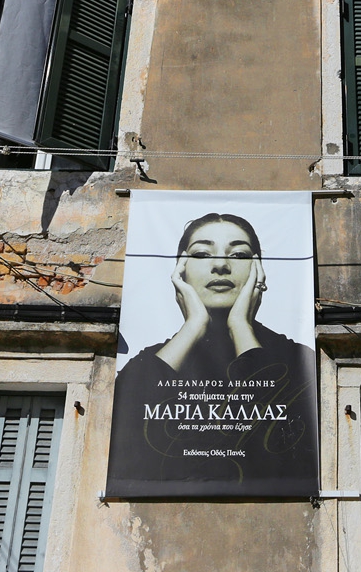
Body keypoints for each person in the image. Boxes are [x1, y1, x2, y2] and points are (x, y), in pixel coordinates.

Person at [106, 212, 317, 497]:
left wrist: (240, 326)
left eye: (240, 255)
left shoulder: (299, 360)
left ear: (259, 270)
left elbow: (280, 454)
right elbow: (129, 436)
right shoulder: (146, 366)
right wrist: (193, 326)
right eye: (203, 254)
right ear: (181, 270)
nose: (220, 265)